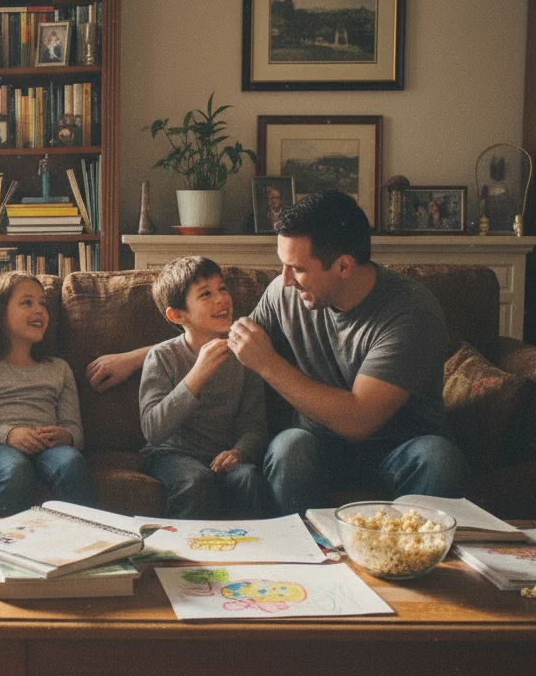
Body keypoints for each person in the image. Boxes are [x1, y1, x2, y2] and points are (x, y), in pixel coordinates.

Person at [226, 190, 470, 513]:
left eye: (296, 268)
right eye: (282, 265)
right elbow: (227, 355)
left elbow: (359, 418)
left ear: (343, 266)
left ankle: (407, 557)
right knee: (289, 447)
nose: (284, 280)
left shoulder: (411, 311)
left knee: (440, 459)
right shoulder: (282, 295)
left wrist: (268, 364)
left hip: (400, 450)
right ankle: (307, 556)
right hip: (319, 450)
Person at [0, 272, 99, 518]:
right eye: (27, 302)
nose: (39, 310)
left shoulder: (58, 368)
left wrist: (65, 436)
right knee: (15, 470)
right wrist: (9, 434)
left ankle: (85, 548)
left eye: (42, 303)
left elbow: (75, 432)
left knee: (72, 463)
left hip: (47, 448)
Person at [139, 256, 269, 519]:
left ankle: (252, 556)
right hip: (171, 454)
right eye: (205, 294)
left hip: (222, 456)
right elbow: (153, 429)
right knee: (195, 480)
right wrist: (198, 372)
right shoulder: (162, 357)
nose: (221, 299)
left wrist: (239, 451)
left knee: (249, 478)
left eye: (222, 289)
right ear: (177, 315)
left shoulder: (245, 355)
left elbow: (253, 426)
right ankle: (180, 557)